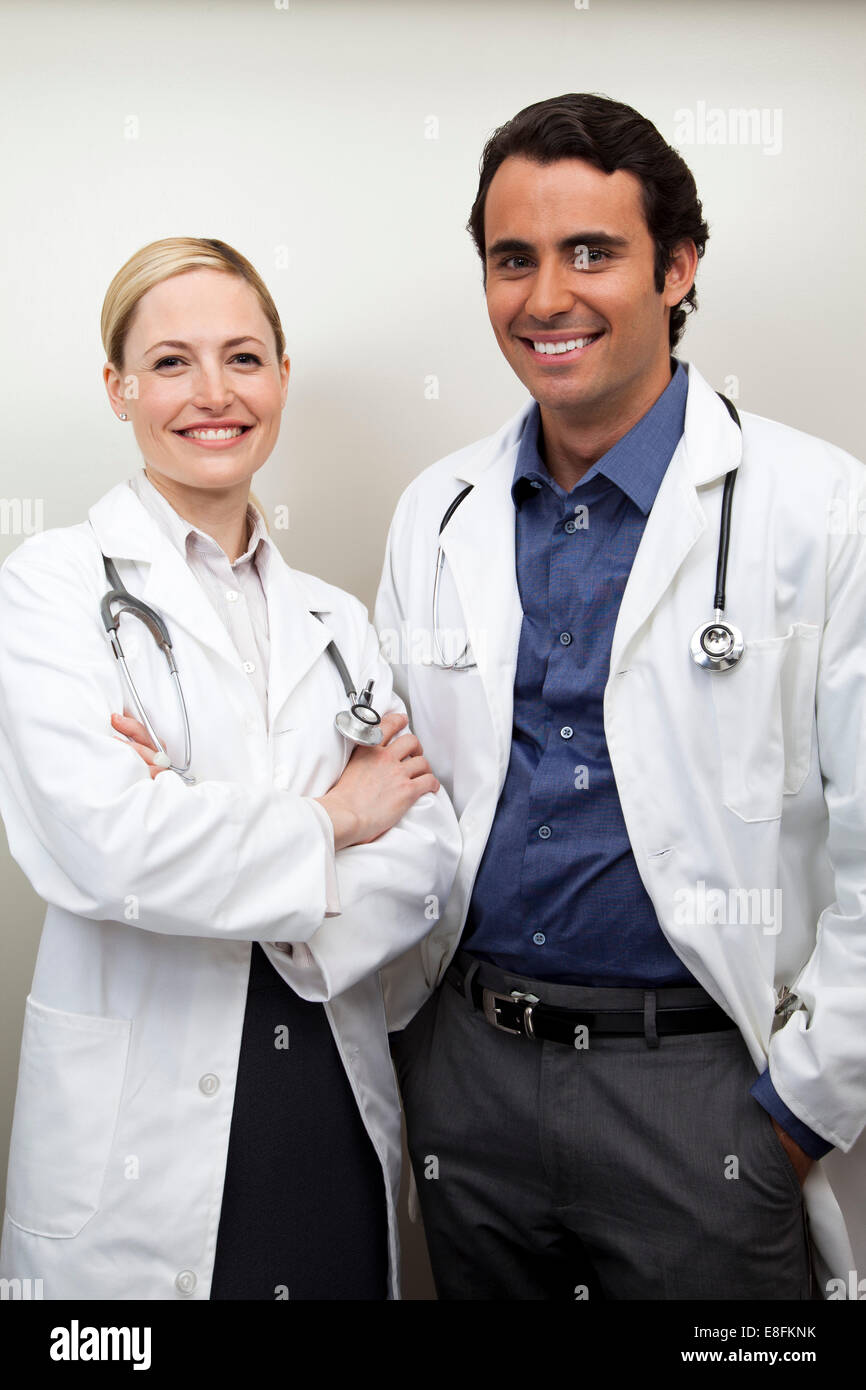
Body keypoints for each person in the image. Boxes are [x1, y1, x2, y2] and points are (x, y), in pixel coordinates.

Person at [375, 94, 866, 1300]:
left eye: (590, 251)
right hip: (469, 1070)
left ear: (677, 266)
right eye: (512, 259)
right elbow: (390, 784)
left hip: (702, 1089)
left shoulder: (821, 512)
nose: (546, 297)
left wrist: (800, 1107)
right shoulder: (438, 511)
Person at [0, 236, 461, 1300]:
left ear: (282, 378)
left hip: (330, 1104)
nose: (213, 393)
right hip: (134, 1136)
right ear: (116, 388)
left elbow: (427, 860)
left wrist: (198, 820)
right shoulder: (53, 586)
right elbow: (111, 848)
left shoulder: (337, 621)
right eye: (169, 362)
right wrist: (340, 817)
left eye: (243, 358)